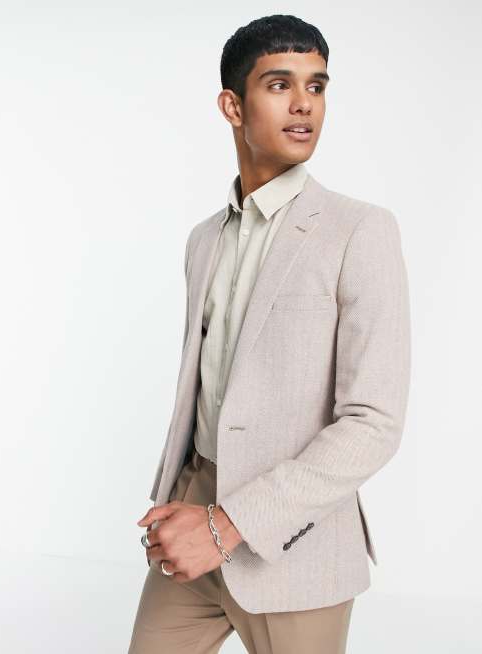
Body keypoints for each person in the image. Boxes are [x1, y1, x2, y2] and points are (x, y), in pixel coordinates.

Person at [128, 13, 411, 654]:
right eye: (280, 85)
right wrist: (180, 498)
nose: (304, 104)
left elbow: (373, 423)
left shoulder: (360, 231)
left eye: (317, 86)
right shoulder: (204, 239)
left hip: (295, 541)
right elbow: (204, 389)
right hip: (194, 513)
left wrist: (228, 526)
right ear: (233, 106)